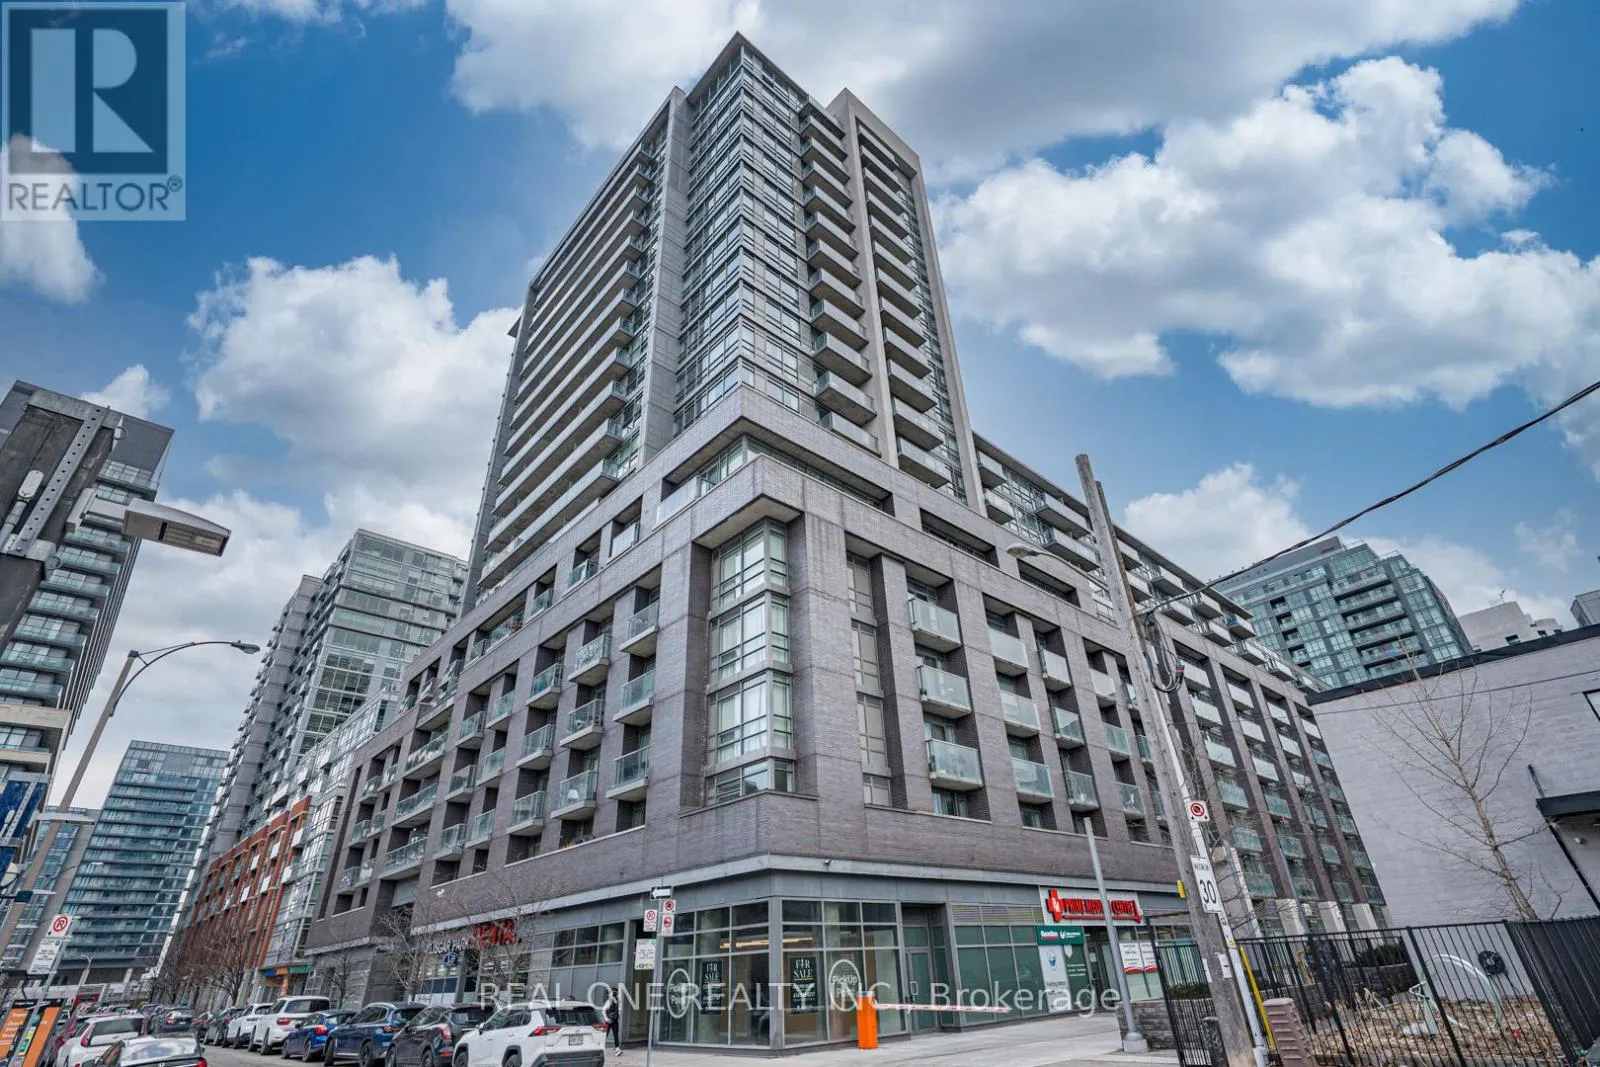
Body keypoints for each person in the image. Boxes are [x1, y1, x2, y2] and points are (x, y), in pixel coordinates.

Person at [602, 988, 621, 1055]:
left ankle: (617, 1049)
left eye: (615, 992)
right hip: (609, 1021)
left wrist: (617, 1016)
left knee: (615, 1035)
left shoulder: (617, 1000)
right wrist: (606, 1019)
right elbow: (603, 1010)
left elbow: (619, 1009)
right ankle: (601, 1048)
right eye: (613, 992)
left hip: (614, 1020)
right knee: (605, 1035)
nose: (615, 994)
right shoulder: (609, 1001)